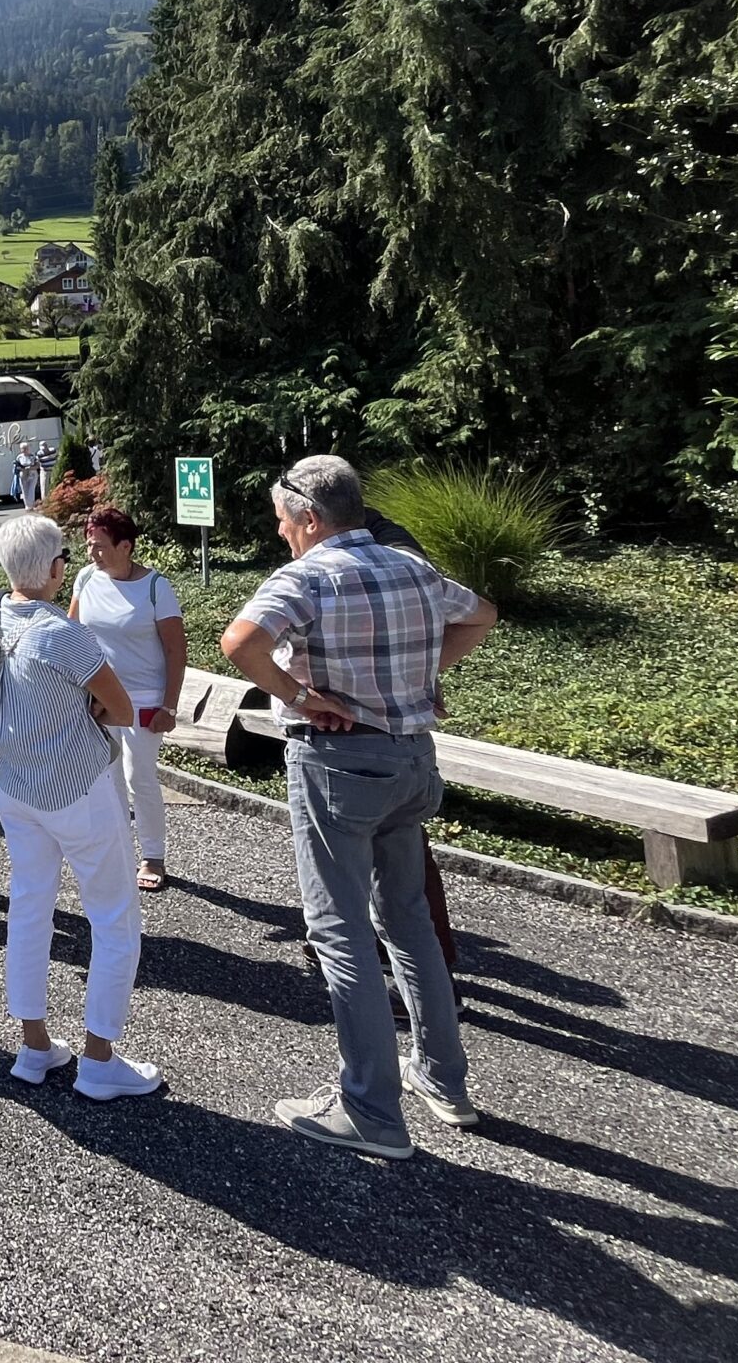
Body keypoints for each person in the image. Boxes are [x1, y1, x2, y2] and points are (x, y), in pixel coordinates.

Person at [220, 453, 498, 1159]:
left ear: (311, 519)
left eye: (283, 520)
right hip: (412, 762)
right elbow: (483, 614)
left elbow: (240, 643)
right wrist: (421, 673)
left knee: (339, 929)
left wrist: (300, 696)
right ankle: (444, 1079)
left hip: (338, 765)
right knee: (408, 920)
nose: (280, 532)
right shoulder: (410, 566)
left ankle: (371, 1110)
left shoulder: (307, 577)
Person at [0, 514, 160, 1096]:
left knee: (29, 908)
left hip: (16, 785)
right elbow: (121, 707)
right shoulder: (62, 632)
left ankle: (34, 1045)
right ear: (55, 569)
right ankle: (99, 1059)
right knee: (114, 919)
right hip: (75, 787)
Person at [69, 508, 185, 891]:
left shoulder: (156, 587)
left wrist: (169, 706)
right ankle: (119, 850)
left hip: (145, 698)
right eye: (89, 545)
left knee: (140, 776)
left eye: (100, 546)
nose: (92, 553)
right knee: (108, 777)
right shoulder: (86, 578)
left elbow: (176, 650)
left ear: (126, 546)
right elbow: (73, 633)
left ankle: (153, 855)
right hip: (100, 697)